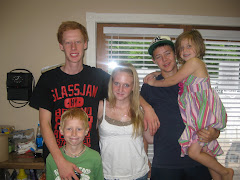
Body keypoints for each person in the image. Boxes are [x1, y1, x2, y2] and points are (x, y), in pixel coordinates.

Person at [29, 21, 159, 180]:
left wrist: (147, 108)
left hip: (91, 160)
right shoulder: (48, 79)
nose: (74, 47)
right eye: (68, 43)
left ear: (85, 44)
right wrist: (60, 161)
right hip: (58, 158)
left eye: (78, 42)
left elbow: (124, 88)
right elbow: (45, 124)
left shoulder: (98, 77)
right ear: (61, 46)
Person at [145, 31, 235, 180]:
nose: (164, 59)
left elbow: (172, 80)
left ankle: (226, 172)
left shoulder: (188, 71)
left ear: (174, 54)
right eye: (158, 57)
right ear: (154, 60)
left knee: (202, 151)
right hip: (165, 163)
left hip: (196, 163)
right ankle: (223, 175)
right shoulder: (152, 87)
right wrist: (147, 107)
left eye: (167, 53)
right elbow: (135, 100)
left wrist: (215, 133)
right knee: (207, 151)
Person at [98, 62, 149, 180]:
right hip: (108, 174)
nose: (120, 89)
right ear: (111, 83)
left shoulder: (140, 109)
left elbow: (145, 139)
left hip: (138, 173)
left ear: (133, 87)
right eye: (117, 83)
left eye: (126, 85)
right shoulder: (101, 107)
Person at [46, 108, 104, 179]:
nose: (74, 134)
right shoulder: (51, 159)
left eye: (79, 129)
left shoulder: (95, 157)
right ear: (61, 130)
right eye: (69, 129)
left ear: (86, 131)